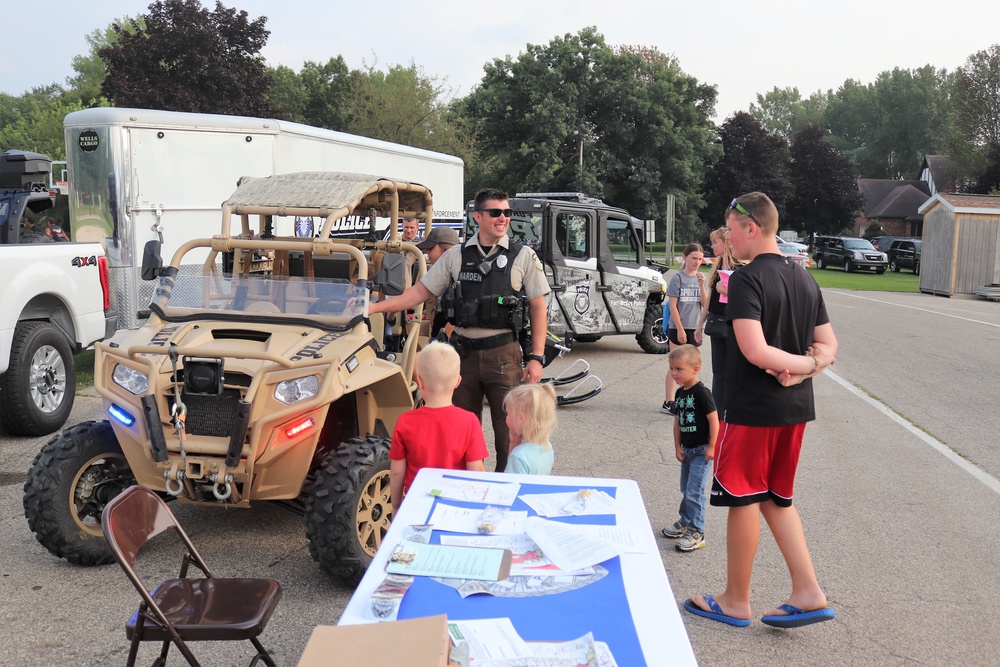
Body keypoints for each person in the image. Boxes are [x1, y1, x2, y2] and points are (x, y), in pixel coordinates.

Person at [684, 192, 838, 629]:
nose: (728, 238)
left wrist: (798, 366)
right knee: (775, 498)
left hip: (751, 407)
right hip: (793, 409)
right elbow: (829, 346)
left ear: (751, 227)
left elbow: (754, 351)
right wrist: (807, 367)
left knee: (743, 497)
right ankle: (808, 590)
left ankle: (735, 600)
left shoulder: (746, 278)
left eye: (731, 229)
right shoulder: (804, 276)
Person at [369, 188, 550, 472]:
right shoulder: (455, 256)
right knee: (461, 433)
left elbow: (539, 308)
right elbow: (418, 293)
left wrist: (537, 358)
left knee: (510, 434)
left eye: (507, 212)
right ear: (478, 216)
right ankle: (464, 492)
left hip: (504, 355)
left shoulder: (523, 256)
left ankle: (504, 494)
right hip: (463, 356)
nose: (503, 218)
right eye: (495, 212)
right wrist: (374, 308)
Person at [389, 342, 488, 514]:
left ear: (419, 381)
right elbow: (476, 470)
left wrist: (396, 505)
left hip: (416, 504)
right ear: (458, 382)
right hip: (455, 506)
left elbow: (397, 471)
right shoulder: (469, 421)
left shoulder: (405, 421)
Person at [660, 344, 718, 552]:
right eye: (672, 369)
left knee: (694, 491)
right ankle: (685, 520)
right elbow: (678, 421)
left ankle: (696, 531)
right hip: (687, 449)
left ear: (695, 369)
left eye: (679, 369)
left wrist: (712, 446)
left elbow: (714, 421)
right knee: (686, 489)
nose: (674, 373)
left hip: (702, 451)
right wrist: (677, 446)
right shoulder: (680, 393)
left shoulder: (702, 393)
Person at [696, 228, 743, 416]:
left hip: (734, 325)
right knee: (719, 372)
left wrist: (725, 291)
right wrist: (700, 324)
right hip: (716, 324)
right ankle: (716, 414)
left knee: (734, 371)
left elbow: (746, 298)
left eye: (716, 242)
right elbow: (709, 299)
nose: (712, 245)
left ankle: (732, 411)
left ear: (727, 243)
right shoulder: (717, 267)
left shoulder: (740, 268)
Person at [661, 243, 708, 415]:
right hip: (678, 326)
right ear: (685, 257)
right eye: (694, 258)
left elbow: (705, 304)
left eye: (700, 259)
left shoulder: (700, 278)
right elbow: (673, 306)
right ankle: (669, 401)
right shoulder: (678, 278)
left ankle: (688, 400)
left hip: (694, 326)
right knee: (676, 365)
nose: (697, 262)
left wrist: (702, 286)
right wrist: (679, 330)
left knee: (691, 366)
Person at [503, 383, 557, 475]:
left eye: (508, 413)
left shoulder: (519, 456)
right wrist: (513, 443)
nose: (506, 417)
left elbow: (510, 483)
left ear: (521, 417)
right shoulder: (547, 445)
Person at [415, 227, 460, 339]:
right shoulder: (441, 274)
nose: (426, 252)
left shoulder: (458, 277)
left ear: (445, 248)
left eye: (430, 248)